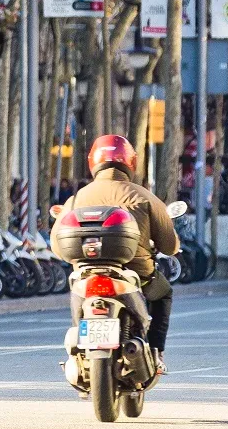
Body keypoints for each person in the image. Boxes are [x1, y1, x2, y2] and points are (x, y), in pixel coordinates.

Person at [67, 134, 178, 372]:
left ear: (93, 161)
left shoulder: (77, 198)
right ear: (130, 162)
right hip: (137, 273)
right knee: (164, 293)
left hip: (86, 274)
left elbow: (58, 245)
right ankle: (157, 353)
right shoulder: (143, 196)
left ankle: (80, 353)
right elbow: (169, 246)